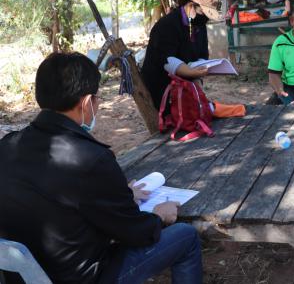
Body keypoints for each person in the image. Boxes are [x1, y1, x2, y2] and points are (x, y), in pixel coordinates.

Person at [0, 53, 202, 283]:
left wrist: (120, 196)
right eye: (96, 100)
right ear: (86, 103)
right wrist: (158, 216)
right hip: (85, 276)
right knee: (186, 237)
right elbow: (135, 232)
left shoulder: (7, 147)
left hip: (24, 275)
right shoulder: (91, 159)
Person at [141, 0, 223, 109]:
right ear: (191, 6)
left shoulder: (199, 25)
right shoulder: (166, 25)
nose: (205, 17)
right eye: (204, 12)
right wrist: (191, 73)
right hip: (161, 88)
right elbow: (167, 60)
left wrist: (199, 73)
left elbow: (202, 54)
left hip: (185, 87)